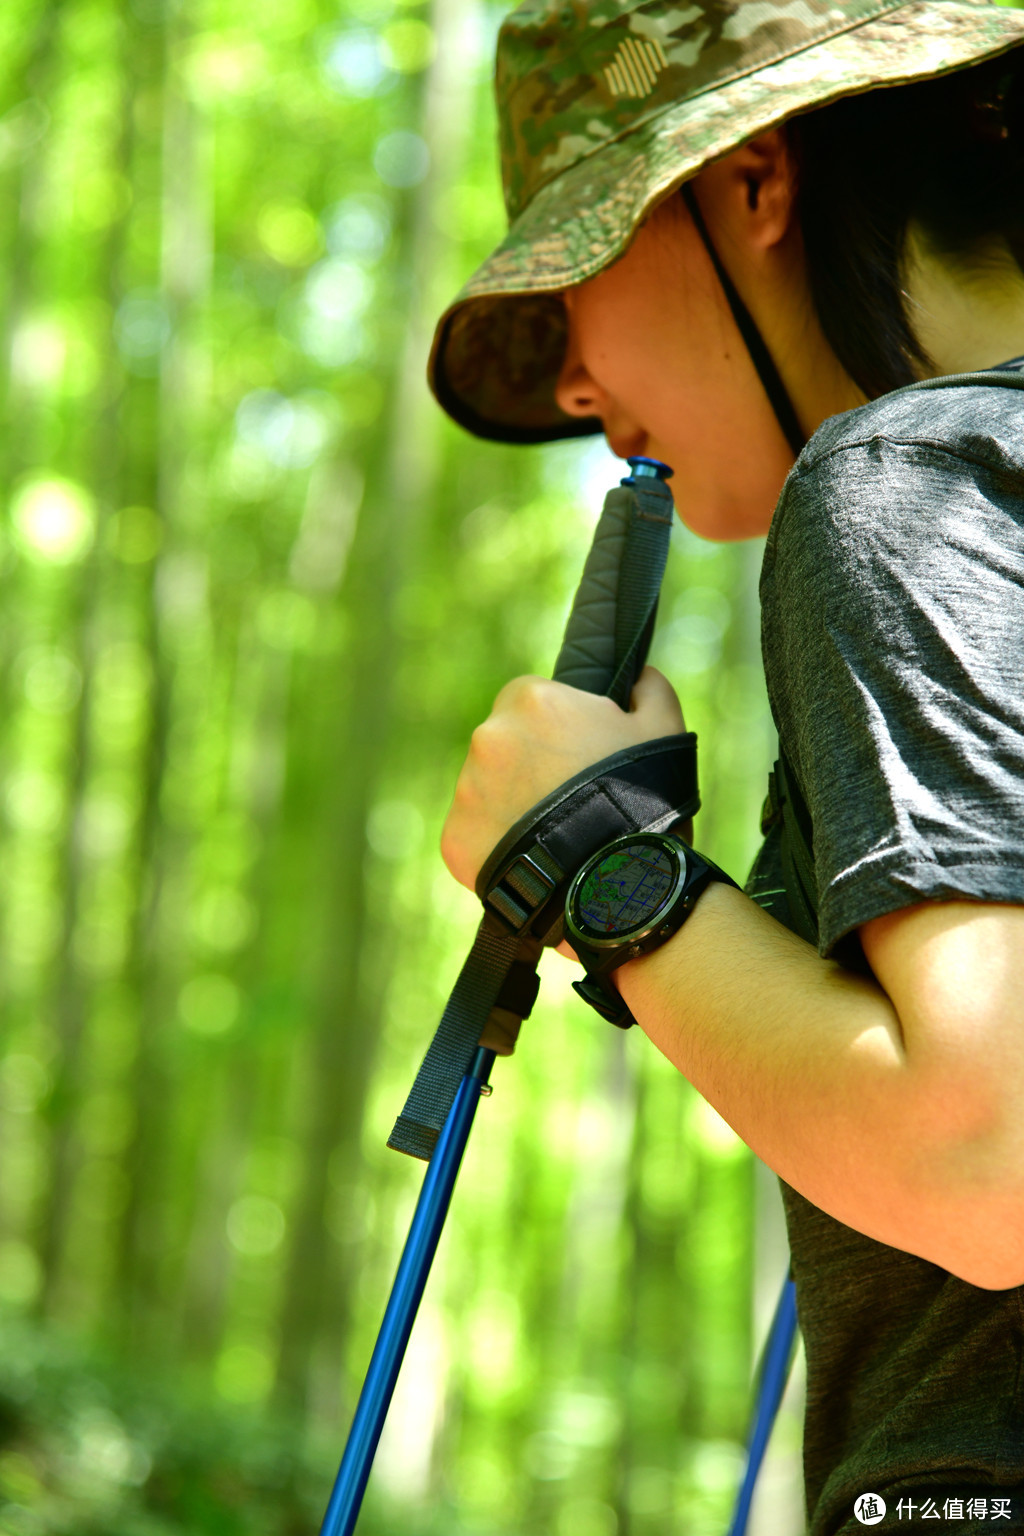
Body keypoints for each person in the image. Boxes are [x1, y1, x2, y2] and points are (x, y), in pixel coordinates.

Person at [427, 2, 1024, 1531]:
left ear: (754, 183)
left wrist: (605, 869)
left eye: (579, 265)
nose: (569, 383)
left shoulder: (906, 483)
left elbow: (990, 1157)